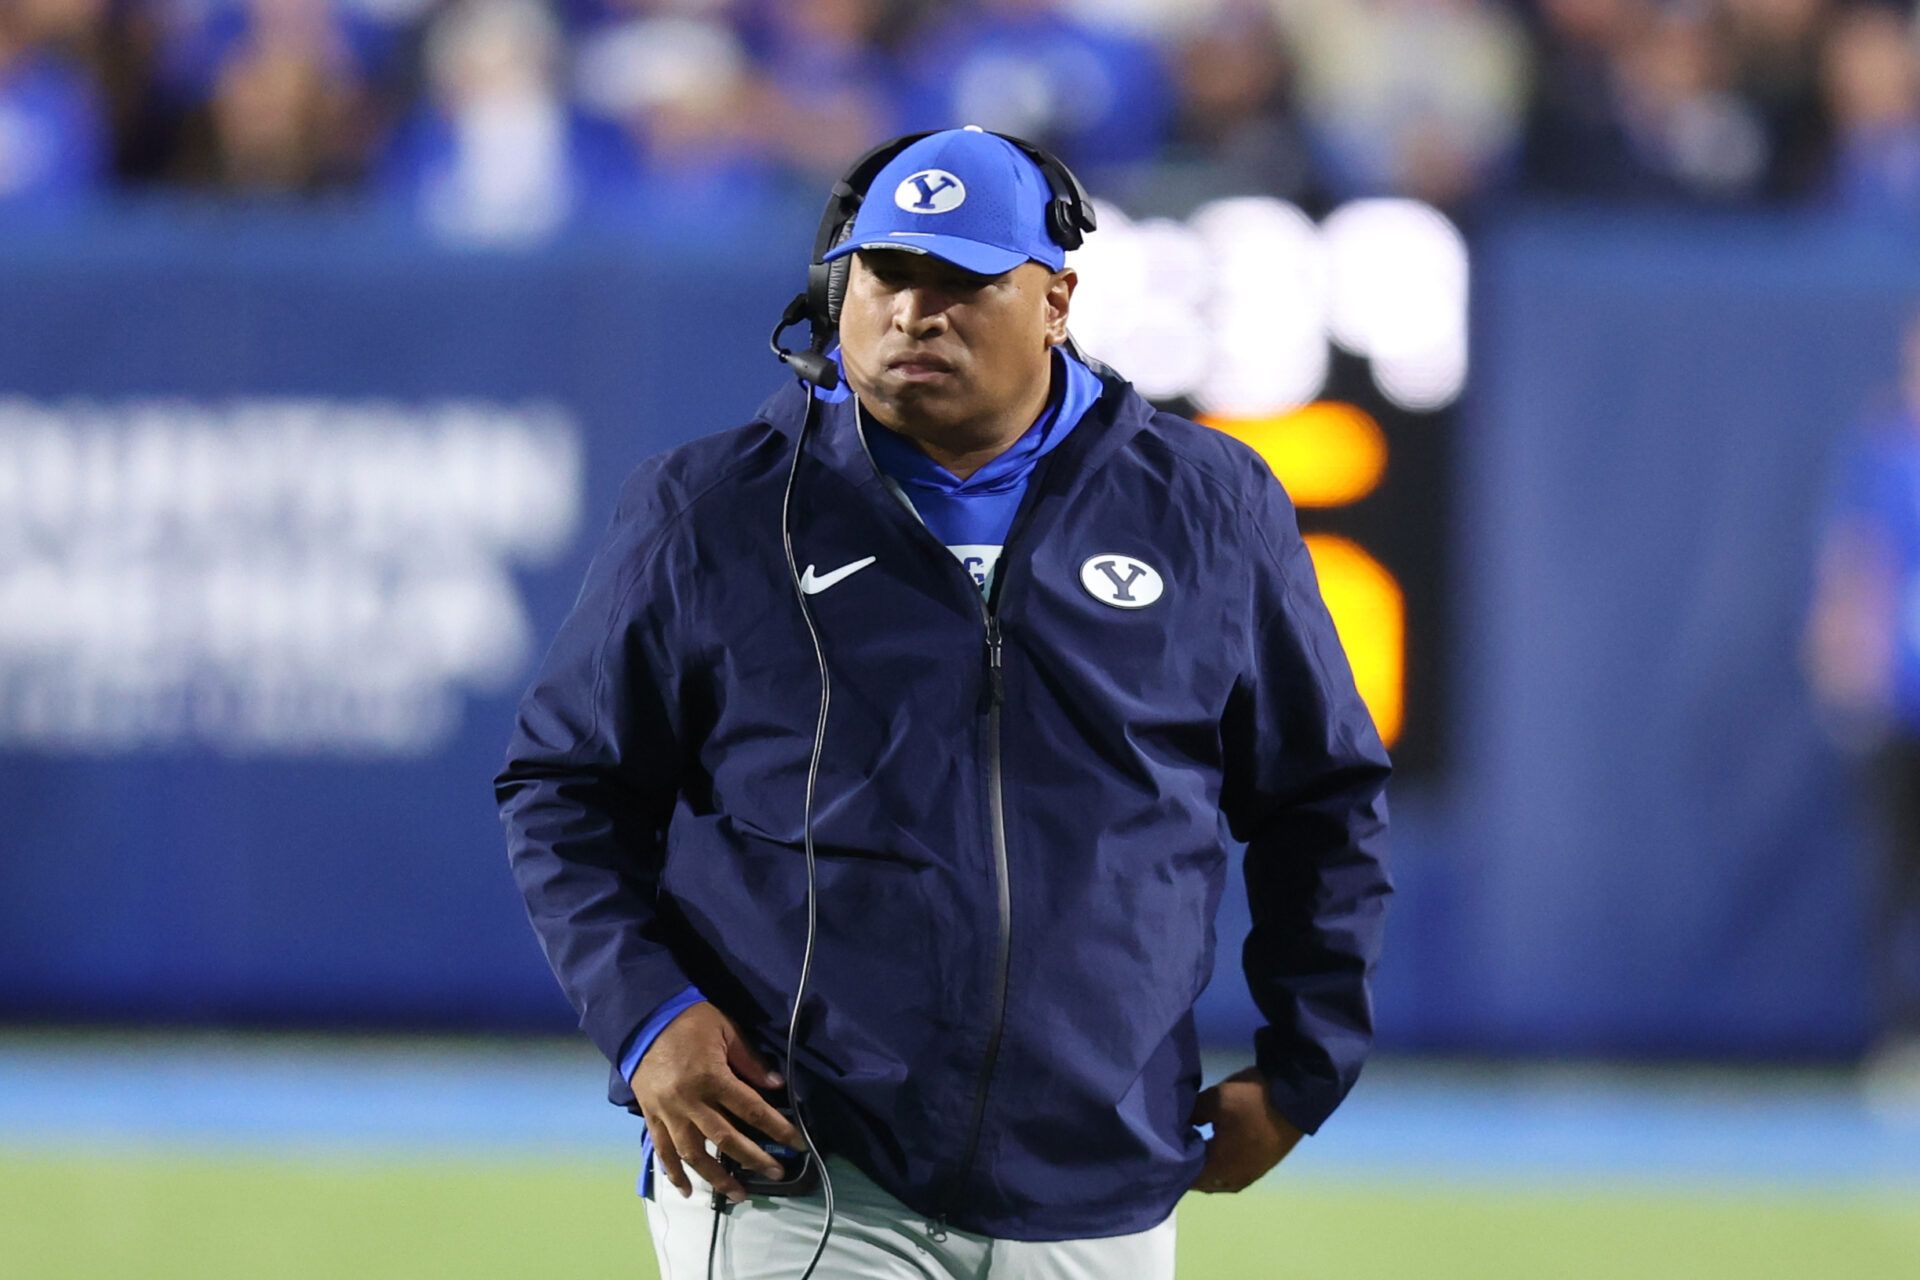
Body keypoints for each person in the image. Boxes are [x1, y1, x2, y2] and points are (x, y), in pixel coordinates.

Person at [495, 126, 1391, 1279]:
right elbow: (565, 787)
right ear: (839, 282)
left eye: (964, 281)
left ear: (1057, 300)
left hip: (1097, 1177)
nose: (916, 311)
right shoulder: (713, 509)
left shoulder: (1208, 505)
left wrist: (1306, 1061)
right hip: (802, 1169)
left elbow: (1322, 798)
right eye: (888, 273)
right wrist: (648, 1016)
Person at [1807, 310, 1920, 1097]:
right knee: (1892, 877)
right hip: (1901, 705)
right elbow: (1854, 562)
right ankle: (1900, 1039)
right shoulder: (1882, 454)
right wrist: (1843, 662)